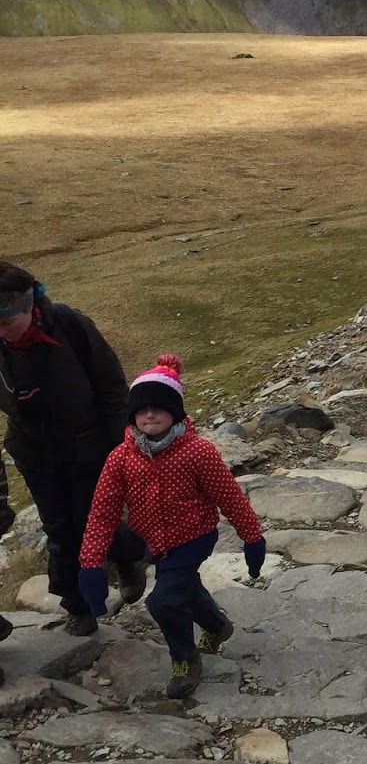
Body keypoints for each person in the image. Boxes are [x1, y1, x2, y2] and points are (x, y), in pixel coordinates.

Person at [77, 354, 266, 700]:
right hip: (154, 539)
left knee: (163, 601)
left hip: (194, 536)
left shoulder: (197, 452)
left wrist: (252, 537)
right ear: (132, 414)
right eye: (142, 408)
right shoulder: (120, 458)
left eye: (160, 407)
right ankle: (217, 625)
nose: (150, 414)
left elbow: (230, 497)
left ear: (175, 413)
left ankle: (184, 657)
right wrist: (90, 564)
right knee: (183, 588)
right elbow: (102, 512)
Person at [0, 262, 146, 639]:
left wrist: (120, 448)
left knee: (95, 523)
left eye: (5, 322)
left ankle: (129, 555)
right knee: (60, 529)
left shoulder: (70, 325)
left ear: (30, 305)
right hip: (34, 454)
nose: (1, 333)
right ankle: (76, 605)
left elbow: (113, 389)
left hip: (89, 448)